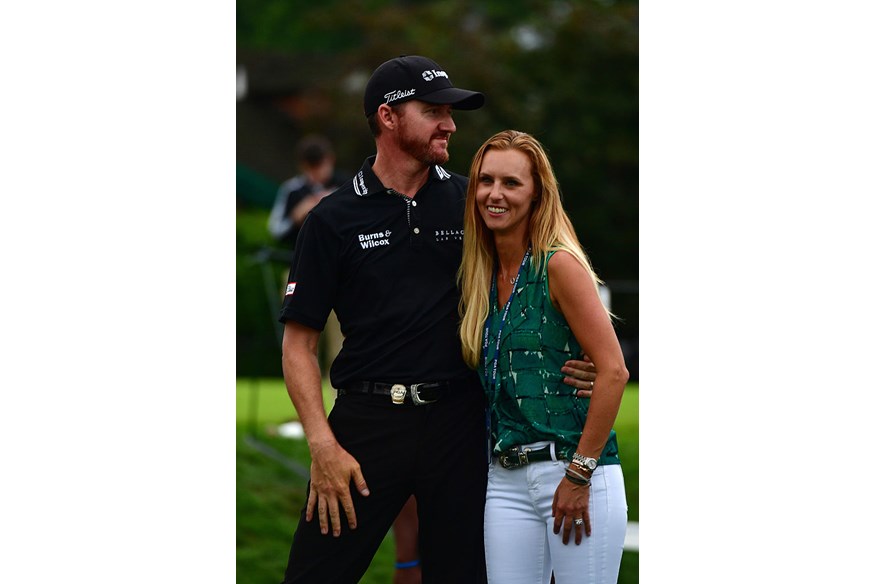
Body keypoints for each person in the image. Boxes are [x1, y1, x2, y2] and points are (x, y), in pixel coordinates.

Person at [276, 56, 596, 584]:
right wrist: (321, 444)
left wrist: (583, 355)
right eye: (434, 111)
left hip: (461, 424)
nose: (450, 124)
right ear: (388, 117)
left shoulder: (472, 201)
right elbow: (298, 346)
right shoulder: (331, 220)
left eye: (450, 112)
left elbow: (543, 278)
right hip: (365, 427)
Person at [458, 130, 629, 584]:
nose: (495, 194)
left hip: (574, 471)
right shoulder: (480, 277)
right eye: (486, 180)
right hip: (506, 478)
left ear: (536, 194)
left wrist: (578, 474)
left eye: (511, 183)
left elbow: (613, 371)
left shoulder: (558, 265)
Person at [267, 133, 349, 248]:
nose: (317, 173)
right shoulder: (292, 190)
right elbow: (275, 230)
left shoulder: (348, 185)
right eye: (311, 168)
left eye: (320, 165)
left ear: (331, 159)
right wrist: (294, 218)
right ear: (302, 166)